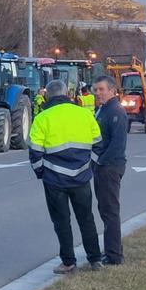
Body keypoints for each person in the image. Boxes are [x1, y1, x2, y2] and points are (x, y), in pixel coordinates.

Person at [29, 79, 104, 274]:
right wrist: (90, 168)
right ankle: (95, 259)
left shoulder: (42, 118)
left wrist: (41, 173)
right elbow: (98, 144)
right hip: (81, 177)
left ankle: (68, 262)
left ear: (47, 96)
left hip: (54, 179)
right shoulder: (84, 114)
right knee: (86, 218)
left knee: (62, 221)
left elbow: (35, 152)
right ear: (68, 94)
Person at [92, 75, 128, 265]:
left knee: (110, 211)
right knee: (105, 210)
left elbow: (117, 144)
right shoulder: (103, 110)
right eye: (95, 89)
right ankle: (111, 250)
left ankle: (114, 256)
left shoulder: (116, 111)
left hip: (109, 167)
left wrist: (100, 162)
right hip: (102, 167)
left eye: (101, 89)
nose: (97, 93)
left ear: (112, 91)